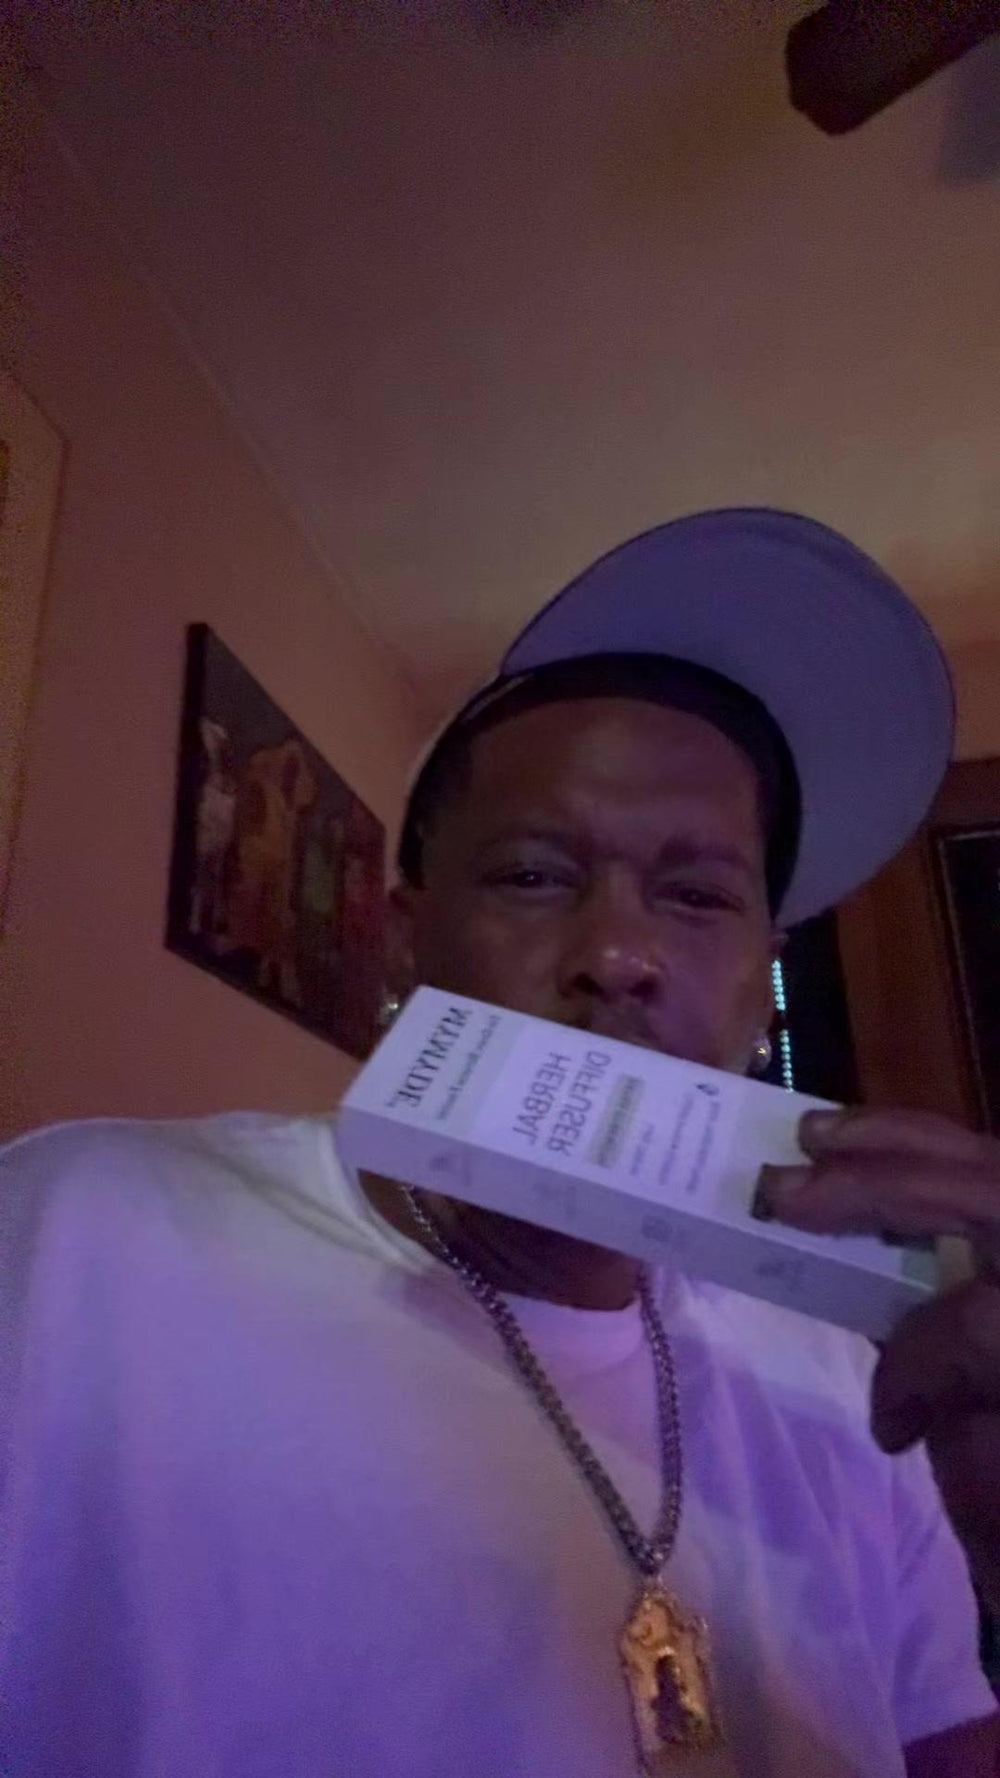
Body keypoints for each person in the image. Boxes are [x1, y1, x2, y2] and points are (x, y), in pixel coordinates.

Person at [1, 508, 998, 1778]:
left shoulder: (864, 1387)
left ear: (763, 995)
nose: (619, 954)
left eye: (697, 895)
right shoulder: (74, 1237)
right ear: (402, 946)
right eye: (532, 875)